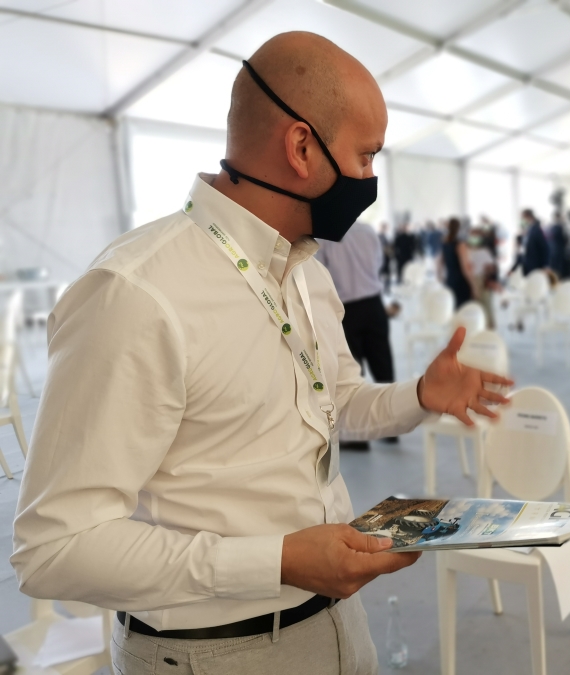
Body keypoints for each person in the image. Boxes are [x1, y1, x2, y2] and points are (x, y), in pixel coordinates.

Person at [12, 32, 513, 675]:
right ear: (302, 147)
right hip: (213, 651)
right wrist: (275, 560)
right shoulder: (136, 293)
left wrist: (417, 396)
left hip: (333, 618)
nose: (368, 180)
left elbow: (339, 404)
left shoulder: (306, 272)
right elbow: (54, 547)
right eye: (365, 156)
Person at [317, 221, 398, 450]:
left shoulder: (327, 235)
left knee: (352, 373)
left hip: (347, 309)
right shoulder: (368, 230)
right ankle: (392, 429)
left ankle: (358, 437)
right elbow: (379, 262)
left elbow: (321, 271)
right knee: (383, 367)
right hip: (374, 304)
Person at [437, 217, 475, 308]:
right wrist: (473, 286)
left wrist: (440, 278)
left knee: (452, 308)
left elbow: (438, 264)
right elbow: (465, 268)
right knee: (463, 309)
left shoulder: (444, 243)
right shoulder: (460, 244)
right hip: (461, 282)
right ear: (459, 228)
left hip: (450, 280)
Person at [521, 208, 549, 275]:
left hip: (535, 265)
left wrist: (545, 265)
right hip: (529, 264)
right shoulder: (530, 229)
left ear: (528, 216)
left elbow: (544, 248)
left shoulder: (536, 230)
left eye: (523, 217)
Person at [547, 210, 569, 278]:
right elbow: (565, 240)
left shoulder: (550, 228)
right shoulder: (559, 228)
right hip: (558, 253)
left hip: (553, 253)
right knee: (558, 272)